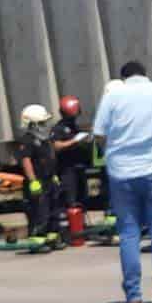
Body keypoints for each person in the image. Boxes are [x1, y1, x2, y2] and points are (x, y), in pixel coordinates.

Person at [94, 61, 152, 303]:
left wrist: (113, 149)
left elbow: (99, 134)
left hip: (121, 173)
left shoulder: (113, 96)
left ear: (123, 77)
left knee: (128, 234)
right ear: (145, 75)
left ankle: (134, 297)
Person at [16, 105, 63, 254]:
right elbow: (26, 160)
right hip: (37, 181)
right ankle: (37, 241)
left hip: (49, 179)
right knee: (39, 212)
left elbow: (51, 157)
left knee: (53, 210)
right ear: (33, 124)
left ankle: (52, 238)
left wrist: (54, 174)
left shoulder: (45, 139)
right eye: (42, 123)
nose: (45, 125)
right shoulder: (27, 140)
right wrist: (32, 181)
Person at [52, 96, 94, 224]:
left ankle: (81, 225)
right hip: (67, 170)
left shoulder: (73, 126)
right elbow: (56, 146)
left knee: (82, 198)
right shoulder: (59, 128)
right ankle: (73, 229)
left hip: (78, 167)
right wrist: (74, 141)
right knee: (71, 199)